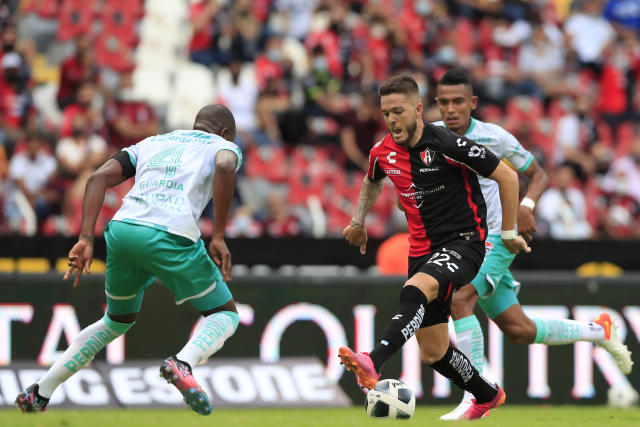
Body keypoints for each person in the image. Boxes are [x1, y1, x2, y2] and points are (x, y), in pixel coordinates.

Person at [15, 104, 243, 416]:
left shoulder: (152, 142)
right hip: (170, 234)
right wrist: (218, 235)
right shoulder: (222, 145)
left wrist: (84, 238)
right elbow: (227, 165)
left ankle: (40, 392)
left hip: (122, 231)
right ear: (225, 133)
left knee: (115, 322)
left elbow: (97, 178)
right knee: (225, 315)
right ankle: (183, 363)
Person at [432, 69, 633, 420]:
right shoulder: (430, 137)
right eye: (444, 102)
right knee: (519, 330)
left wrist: (526, 206)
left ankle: (476, 396)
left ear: (472, 103)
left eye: (458, 101)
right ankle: (598, 330)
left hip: (498, 235)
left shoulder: (494, 137)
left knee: (461, 298)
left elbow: (538, 174)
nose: (451, 109)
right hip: (462, 242)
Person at [339, 74, 530, 420]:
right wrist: (357, 222)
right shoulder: (382, 152)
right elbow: (372, 181)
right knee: (434, 352)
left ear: (417, 108)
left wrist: (510, 230)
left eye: (398, 111)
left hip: (465, 244)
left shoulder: (447, 143)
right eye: (386, 113)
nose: (392, 120)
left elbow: (508, 175)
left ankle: (372, 359)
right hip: (422, 252)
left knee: (416, 288)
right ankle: (488, 394)